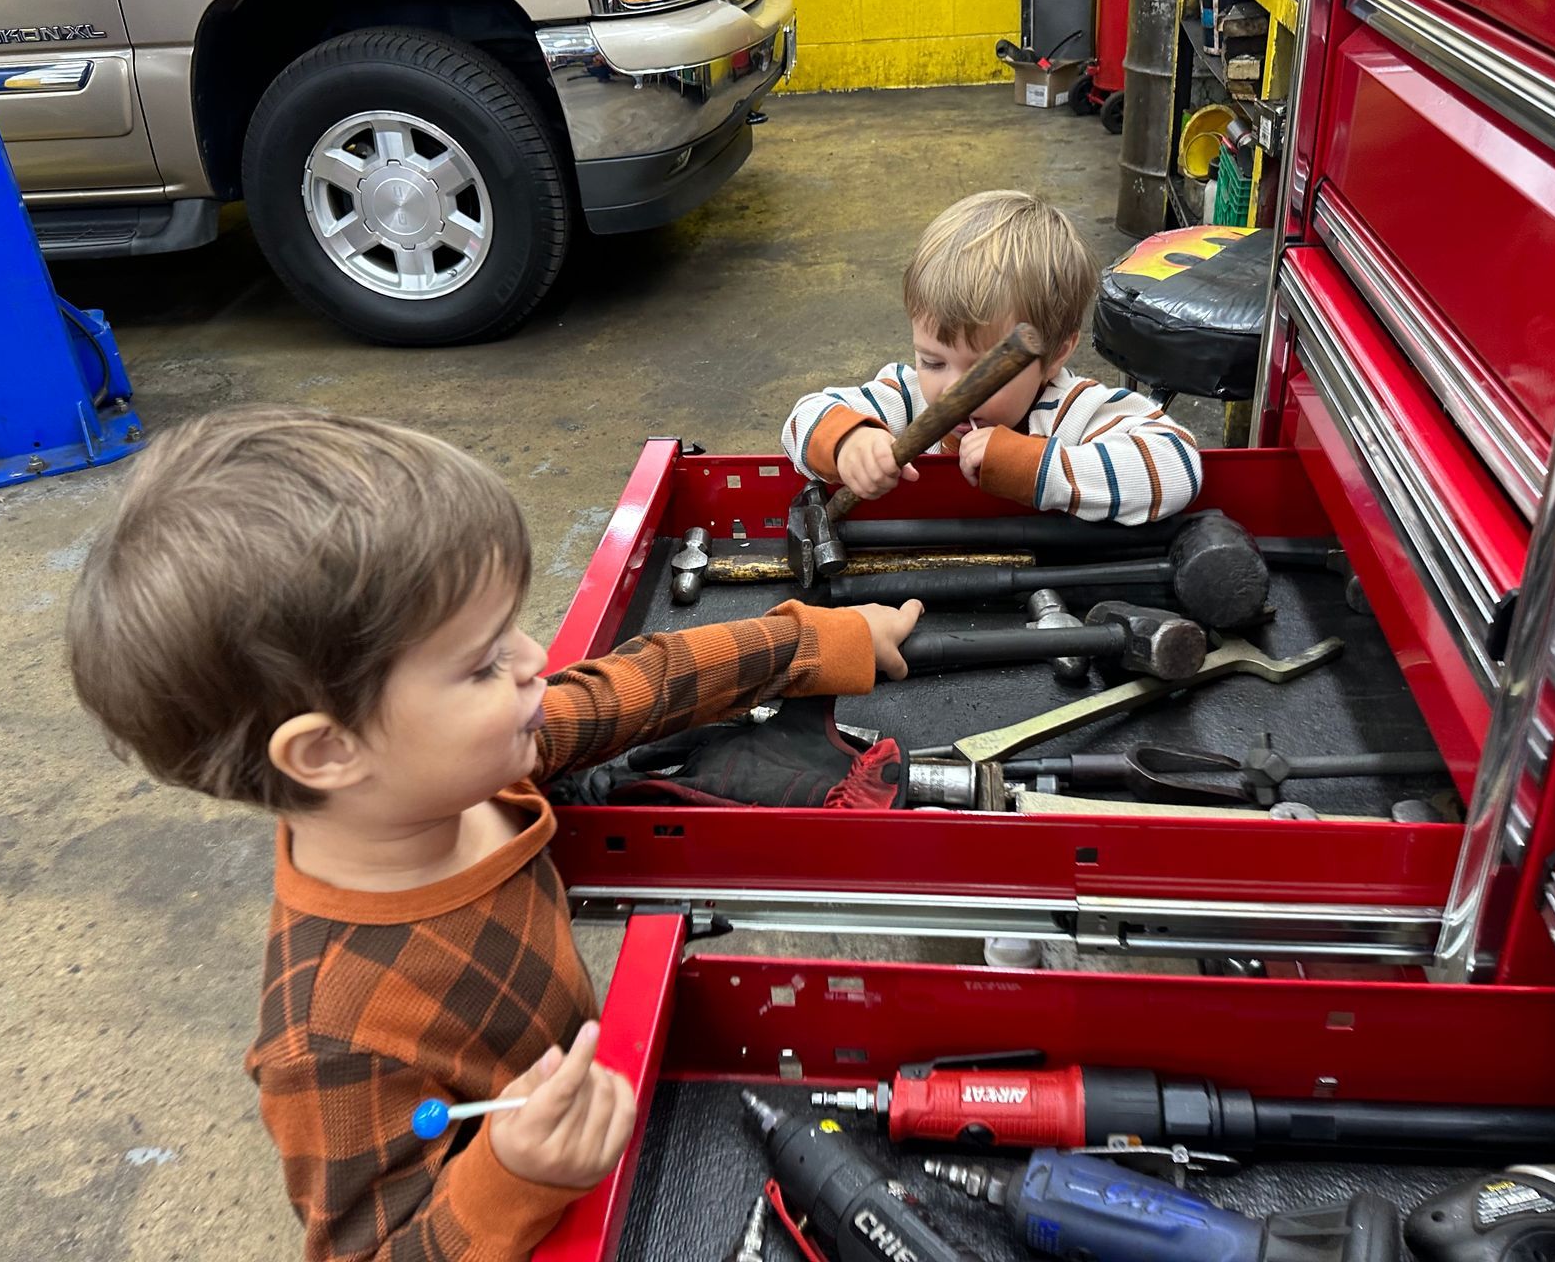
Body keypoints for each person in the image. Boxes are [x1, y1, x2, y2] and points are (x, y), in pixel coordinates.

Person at [66, 405, 921, 1261]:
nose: (534, 657)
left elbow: (639, 688)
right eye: (481, 663)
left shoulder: (465, 778)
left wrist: (820, 639)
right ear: (328, 750)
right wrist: (514, 1176)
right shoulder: (331, 1038)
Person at [783, 190, 1202, 524]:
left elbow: (1178, 464)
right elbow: (801, 420)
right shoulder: (907, 398)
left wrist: (1036, 470)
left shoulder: (1074, 412)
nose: (950, 390)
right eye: (933, 361)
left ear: (1055, 354)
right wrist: (848, 443)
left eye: (985, 372)